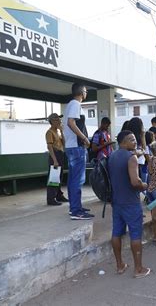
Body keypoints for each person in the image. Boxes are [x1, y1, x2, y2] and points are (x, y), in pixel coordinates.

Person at [108, 130, 151, 278]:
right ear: (123, 142)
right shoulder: (131, 157)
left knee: (116, 233)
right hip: (130, 202)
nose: (135, 142)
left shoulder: (112, 156)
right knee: (135, 234)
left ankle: (120, 265)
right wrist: (144, 185)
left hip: (116, 201)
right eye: (132, 140)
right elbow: (134, 182)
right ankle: (138, 269)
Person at [63, 83, 93, 220]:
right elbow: (71, 122)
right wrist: (85, 138)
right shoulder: (76, 104)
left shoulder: (70, 104)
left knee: (72, 179)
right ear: (82, 92)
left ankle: (74, 207)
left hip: (71, 146)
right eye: (86, 91)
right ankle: (76, 211)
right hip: (76, 147)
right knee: (77, 180)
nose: (86, 93)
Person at [45, 113, 68, 206]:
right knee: (54, 178)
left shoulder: (57, 132)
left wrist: (61, 131)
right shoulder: (49, 132)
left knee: (59, 177)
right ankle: (51, 198)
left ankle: (58, 195)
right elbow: (50, 147)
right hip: (55, 155)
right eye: (57, 120)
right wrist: (55, 160)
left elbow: (64, 143)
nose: (59, 121)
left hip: (60, 154)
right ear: (52, 121)